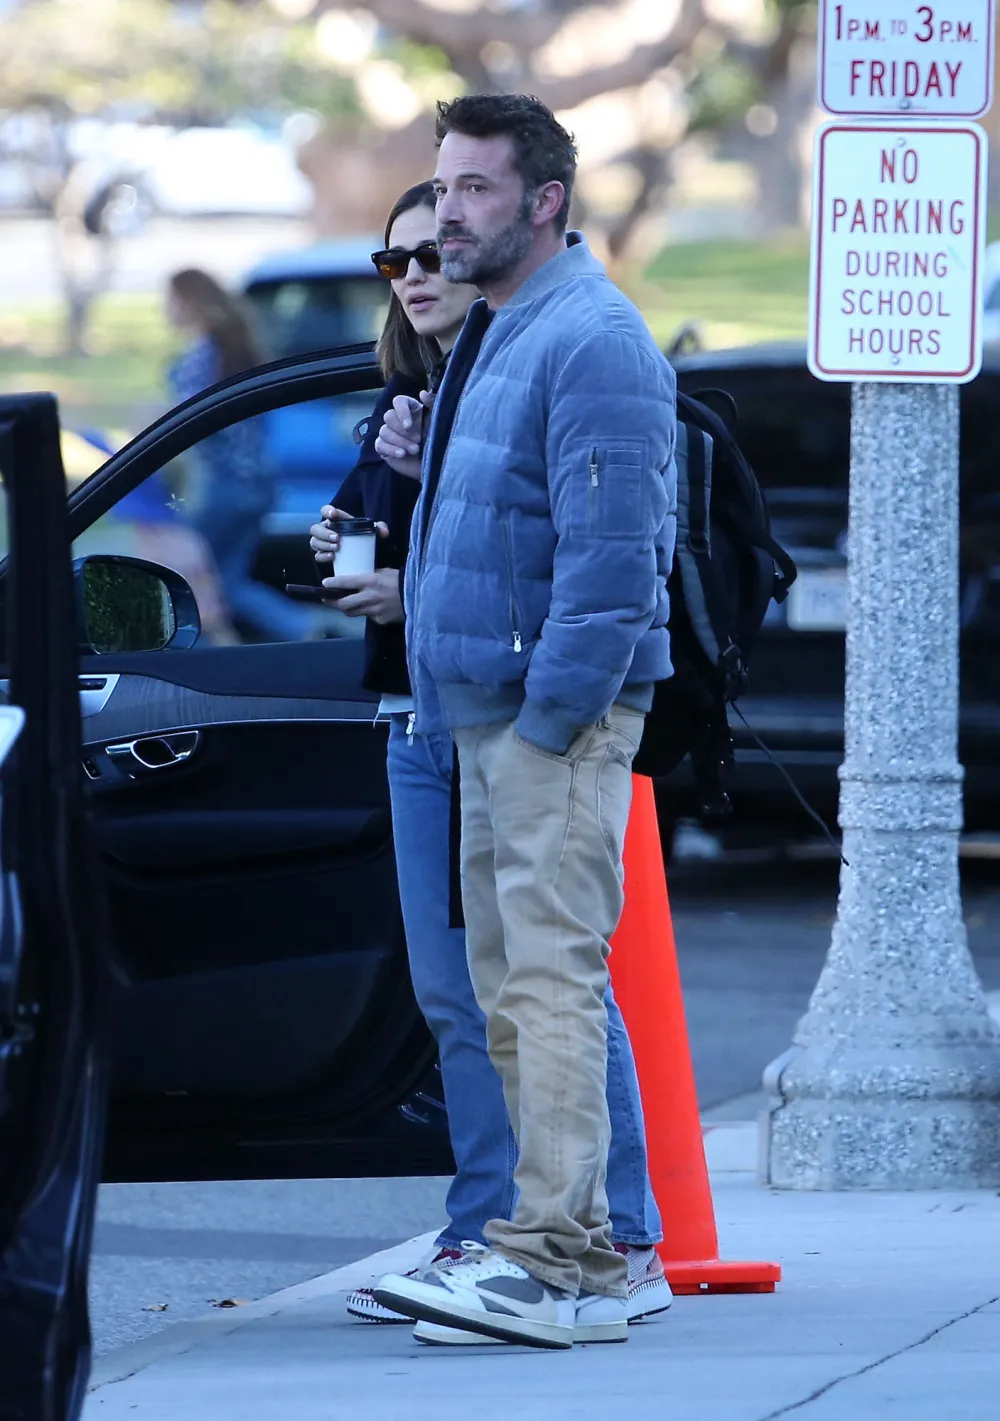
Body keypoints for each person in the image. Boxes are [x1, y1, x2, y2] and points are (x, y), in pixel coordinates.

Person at [309, 179, 671, 1339]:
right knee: (472, 993)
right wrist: (377, 516)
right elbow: (482, 557)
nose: (419, 267)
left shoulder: (567, 346)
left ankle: (607, 1241)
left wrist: (551, 715)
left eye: (442, 235)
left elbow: (599, 560)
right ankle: (498, 1230)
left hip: (513, 713)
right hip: (428, 716)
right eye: (395, 255)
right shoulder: (421, 399)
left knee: (554, 978)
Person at [166, 268, 324, 643]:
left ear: (189, 302)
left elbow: (183, 424)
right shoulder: (236, 347)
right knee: (228, 577)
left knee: (195, 578)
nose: (165, 309)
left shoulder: (201, 356)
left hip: (222, 486)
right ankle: (305, 629)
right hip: (259, 482)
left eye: (170, 299)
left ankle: (199, 652)